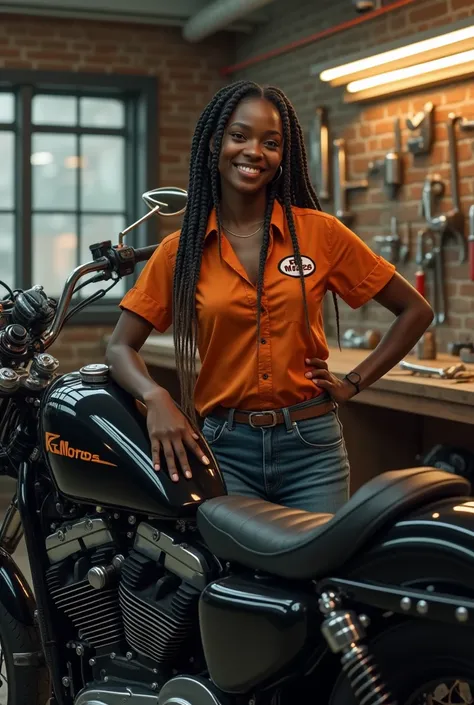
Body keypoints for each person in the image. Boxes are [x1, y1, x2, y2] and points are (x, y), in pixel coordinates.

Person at [106, 80, 433, 514]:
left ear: (283, 156)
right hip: (226, 447)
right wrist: (155, 397)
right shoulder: (180, 251)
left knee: (316, 577)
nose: (254, 152)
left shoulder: (320, 234)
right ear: (214, 143)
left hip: (312, 448)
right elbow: (120, 346)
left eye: (271, 142)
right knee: (237, 580)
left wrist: (352, 383)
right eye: (239, 136)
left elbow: (415, 310)